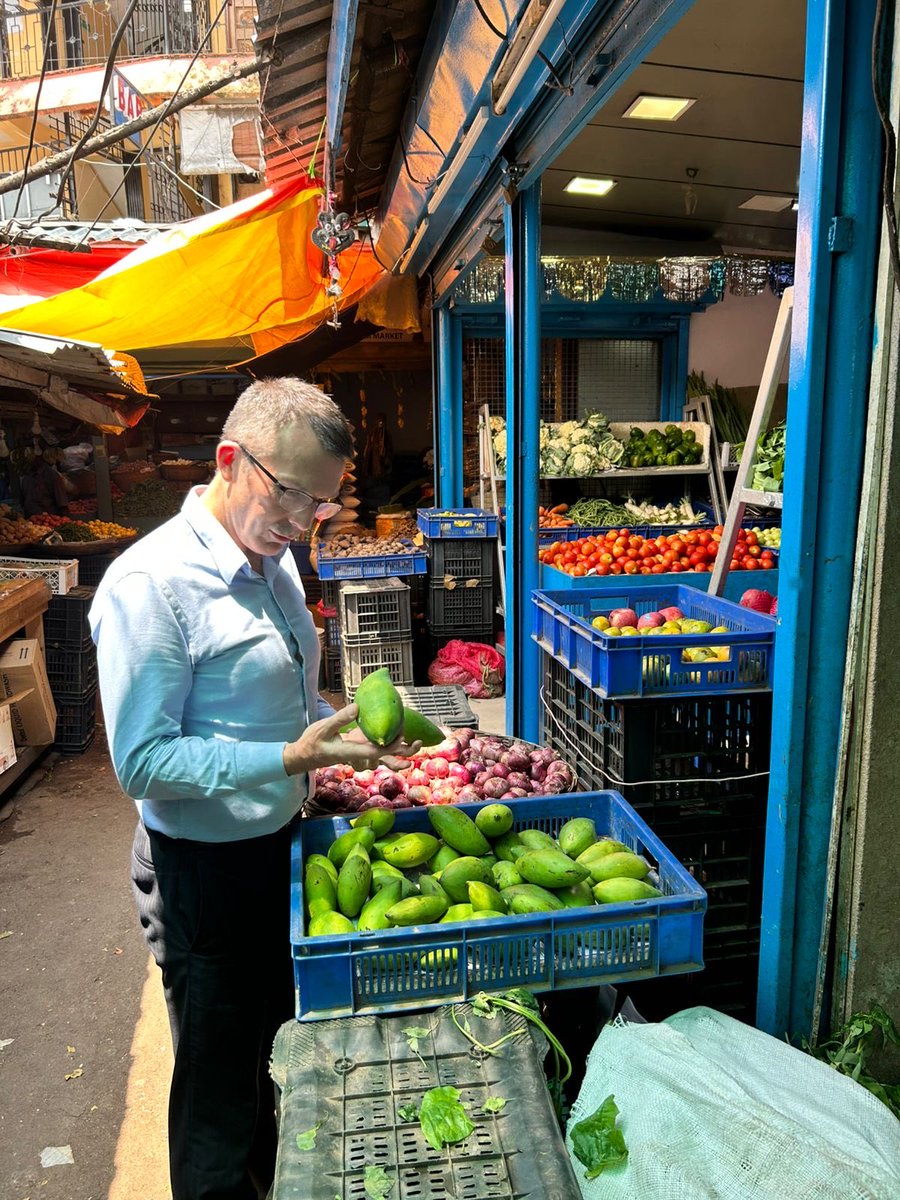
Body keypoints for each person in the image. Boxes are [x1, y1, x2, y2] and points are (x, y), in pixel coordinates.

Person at [89, 378, 418, 1200]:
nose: (305, 519)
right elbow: (143, 761)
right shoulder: (152, 585)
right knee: (216, 1093)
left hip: (276, 849)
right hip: (203, 873)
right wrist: (286, 760)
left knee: (271, 1060)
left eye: (321, 503)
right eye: (293, 495)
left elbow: (279, 701)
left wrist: (343, 733)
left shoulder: (269, 560)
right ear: (230, 460)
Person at [19, 443, 70, 517]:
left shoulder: (51, 475)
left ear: (40, 457)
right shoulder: (26, 477)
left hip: (48, 520)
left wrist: (64, 522)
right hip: (30, 520)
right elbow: (23, 500)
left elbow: (62, 503)